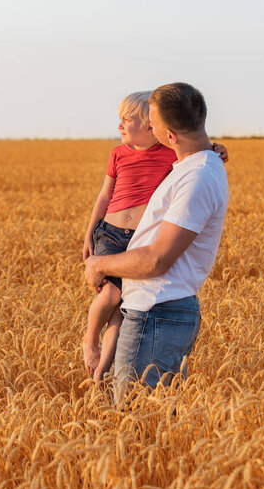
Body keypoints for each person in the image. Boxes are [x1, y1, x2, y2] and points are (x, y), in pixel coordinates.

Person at [84, 82, 229, 402]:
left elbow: (156, 260)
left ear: (169, 135)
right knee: (149, 423)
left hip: (157, 313)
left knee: (137, 422)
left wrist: (99, 263)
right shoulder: (193, 166)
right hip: (153, 312)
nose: (148, 126)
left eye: (154, 123)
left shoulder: (198, 176)